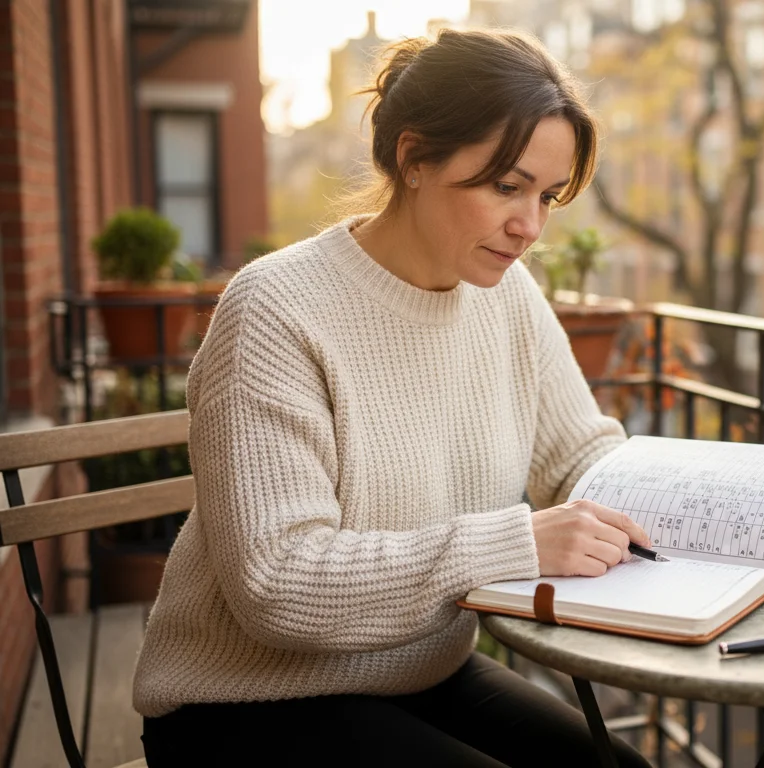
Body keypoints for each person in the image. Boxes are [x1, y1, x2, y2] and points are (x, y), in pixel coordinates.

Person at [132, 28, 653, 768]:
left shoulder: (506, 298)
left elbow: (582, 458)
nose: (530, 227)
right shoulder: (277, 309)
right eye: (506, 187)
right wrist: (515, 543)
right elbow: (278, 583)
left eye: (547, 195)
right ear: (413, 158)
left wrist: (712, 507)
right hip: (242, 703)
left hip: (419, 671)